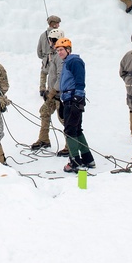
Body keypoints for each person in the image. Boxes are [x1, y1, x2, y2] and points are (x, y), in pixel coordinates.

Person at [56, 38, 95, 172]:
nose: (59, 52)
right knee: (77, 129)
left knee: (70, 130)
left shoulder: (74, 61)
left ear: (68, 50)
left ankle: (74, 161)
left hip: (73, 99)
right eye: (58, 50)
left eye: (61, 49)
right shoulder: (67, 62)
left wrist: (77, 97)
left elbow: (80, 80)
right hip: (68, 98)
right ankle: (87, 158)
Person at [30, 26, 65, 151]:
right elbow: (47, 71)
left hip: (60, 96)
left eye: (51, 40)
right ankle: (44, 139)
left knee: (64, 120)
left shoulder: (60, 56)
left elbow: (61, 77)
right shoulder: (53, 55)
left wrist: (53, 91)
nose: (49, 42)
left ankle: (69, 146)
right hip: (52, 94)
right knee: (44, 112)